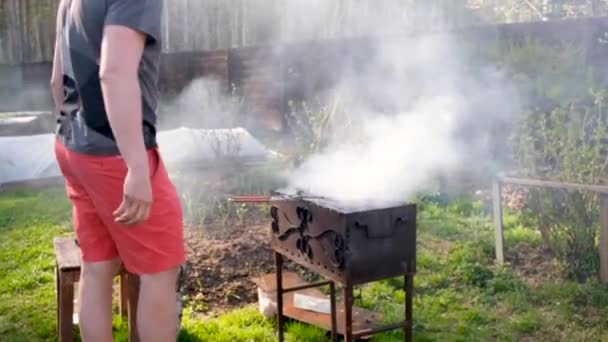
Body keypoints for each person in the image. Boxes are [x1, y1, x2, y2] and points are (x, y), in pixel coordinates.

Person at [50, 0, 185, 341]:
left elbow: (56, 81)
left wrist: (78, 136)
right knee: (160, 270)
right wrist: (137, 167)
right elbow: (113, 72)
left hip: (71, 143)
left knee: (97, 265)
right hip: (113, 154)